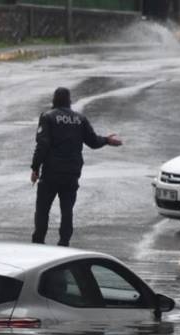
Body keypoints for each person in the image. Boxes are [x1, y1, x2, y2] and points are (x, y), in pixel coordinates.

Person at [29, 87, 121, 247]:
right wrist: (107, 140)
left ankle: (38, 242)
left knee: (43, 209)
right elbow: (93, 142)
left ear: (54, 100)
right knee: (67, 210)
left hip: (51, 172)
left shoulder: (47, 117)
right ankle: (64, 242)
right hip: (72, 173)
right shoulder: (80, 119)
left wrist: (35, 168)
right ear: (69, 101)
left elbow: (42, 145)